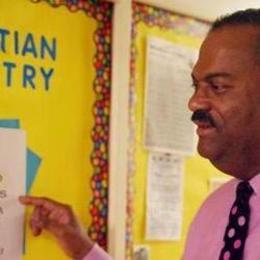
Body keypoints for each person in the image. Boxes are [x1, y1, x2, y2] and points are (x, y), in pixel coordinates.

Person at [19, 8, 260, 260]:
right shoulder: (217, 210)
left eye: (218, 86)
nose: (194, 102)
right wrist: (79, 245)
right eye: (195, 86)